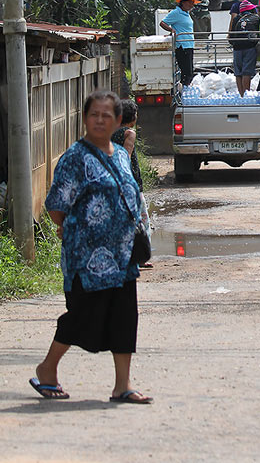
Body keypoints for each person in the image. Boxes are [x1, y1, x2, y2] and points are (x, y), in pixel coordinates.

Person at [30, 90, 152, 403]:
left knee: (125, 317)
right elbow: (56, 207)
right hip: (87, 258)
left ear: (117, 120)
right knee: (83, 315)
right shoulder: (75, 157)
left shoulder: (122, 156)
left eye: (107, 115)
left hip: (123, 257)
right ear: (85, 119)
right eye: (94, 114)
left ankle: (122, 385)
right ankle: (47, 368)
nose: (100, 120)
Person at [111, 99, 152, 270]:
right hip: (129, 183)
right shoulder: (129, 133)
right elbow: (125, 159)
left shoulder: (110, 132)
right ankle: (140, 257)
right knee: (141, 219)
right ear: (133, 117)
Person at [159, 0, 198, 86]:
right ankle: (184, 92)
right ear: (183, 2)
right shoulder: (176, 13)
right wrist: (172, 30)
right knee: (187, 73)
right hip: (182, 45)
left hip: (189, 45)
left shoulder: (186, 13)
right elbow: (163, 23)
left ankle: (185, 91)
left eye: (192, 2)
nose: (191, 5)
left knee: (189, 72)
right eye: (189, 2)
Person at [230, 0, 260, 96]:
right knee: (246, 72)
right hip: (250, 47)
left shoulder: (236, 19)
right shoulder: (256, 18)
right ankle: (247, 95)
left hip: (237, 48)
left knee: (238, 72)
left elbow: (231, 34)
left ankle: (241, 95)